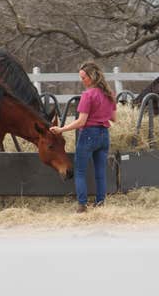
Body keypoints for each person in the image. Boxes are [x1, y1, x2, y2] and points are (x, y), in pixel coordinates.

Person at [50, 61, 117, 213]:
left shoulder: (87, 95)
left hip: (88, 135)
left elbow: (81, 121)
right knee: (100, 172)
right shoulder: (109, 94)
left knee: (80, 171)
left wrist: (61, 129)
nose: (82, 81)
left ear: (92, 77)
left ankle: (82, 205)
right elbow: (114, 118)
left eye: (83, 78)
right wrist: (101, 113)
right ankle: (100, 203)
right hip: (104, 134)